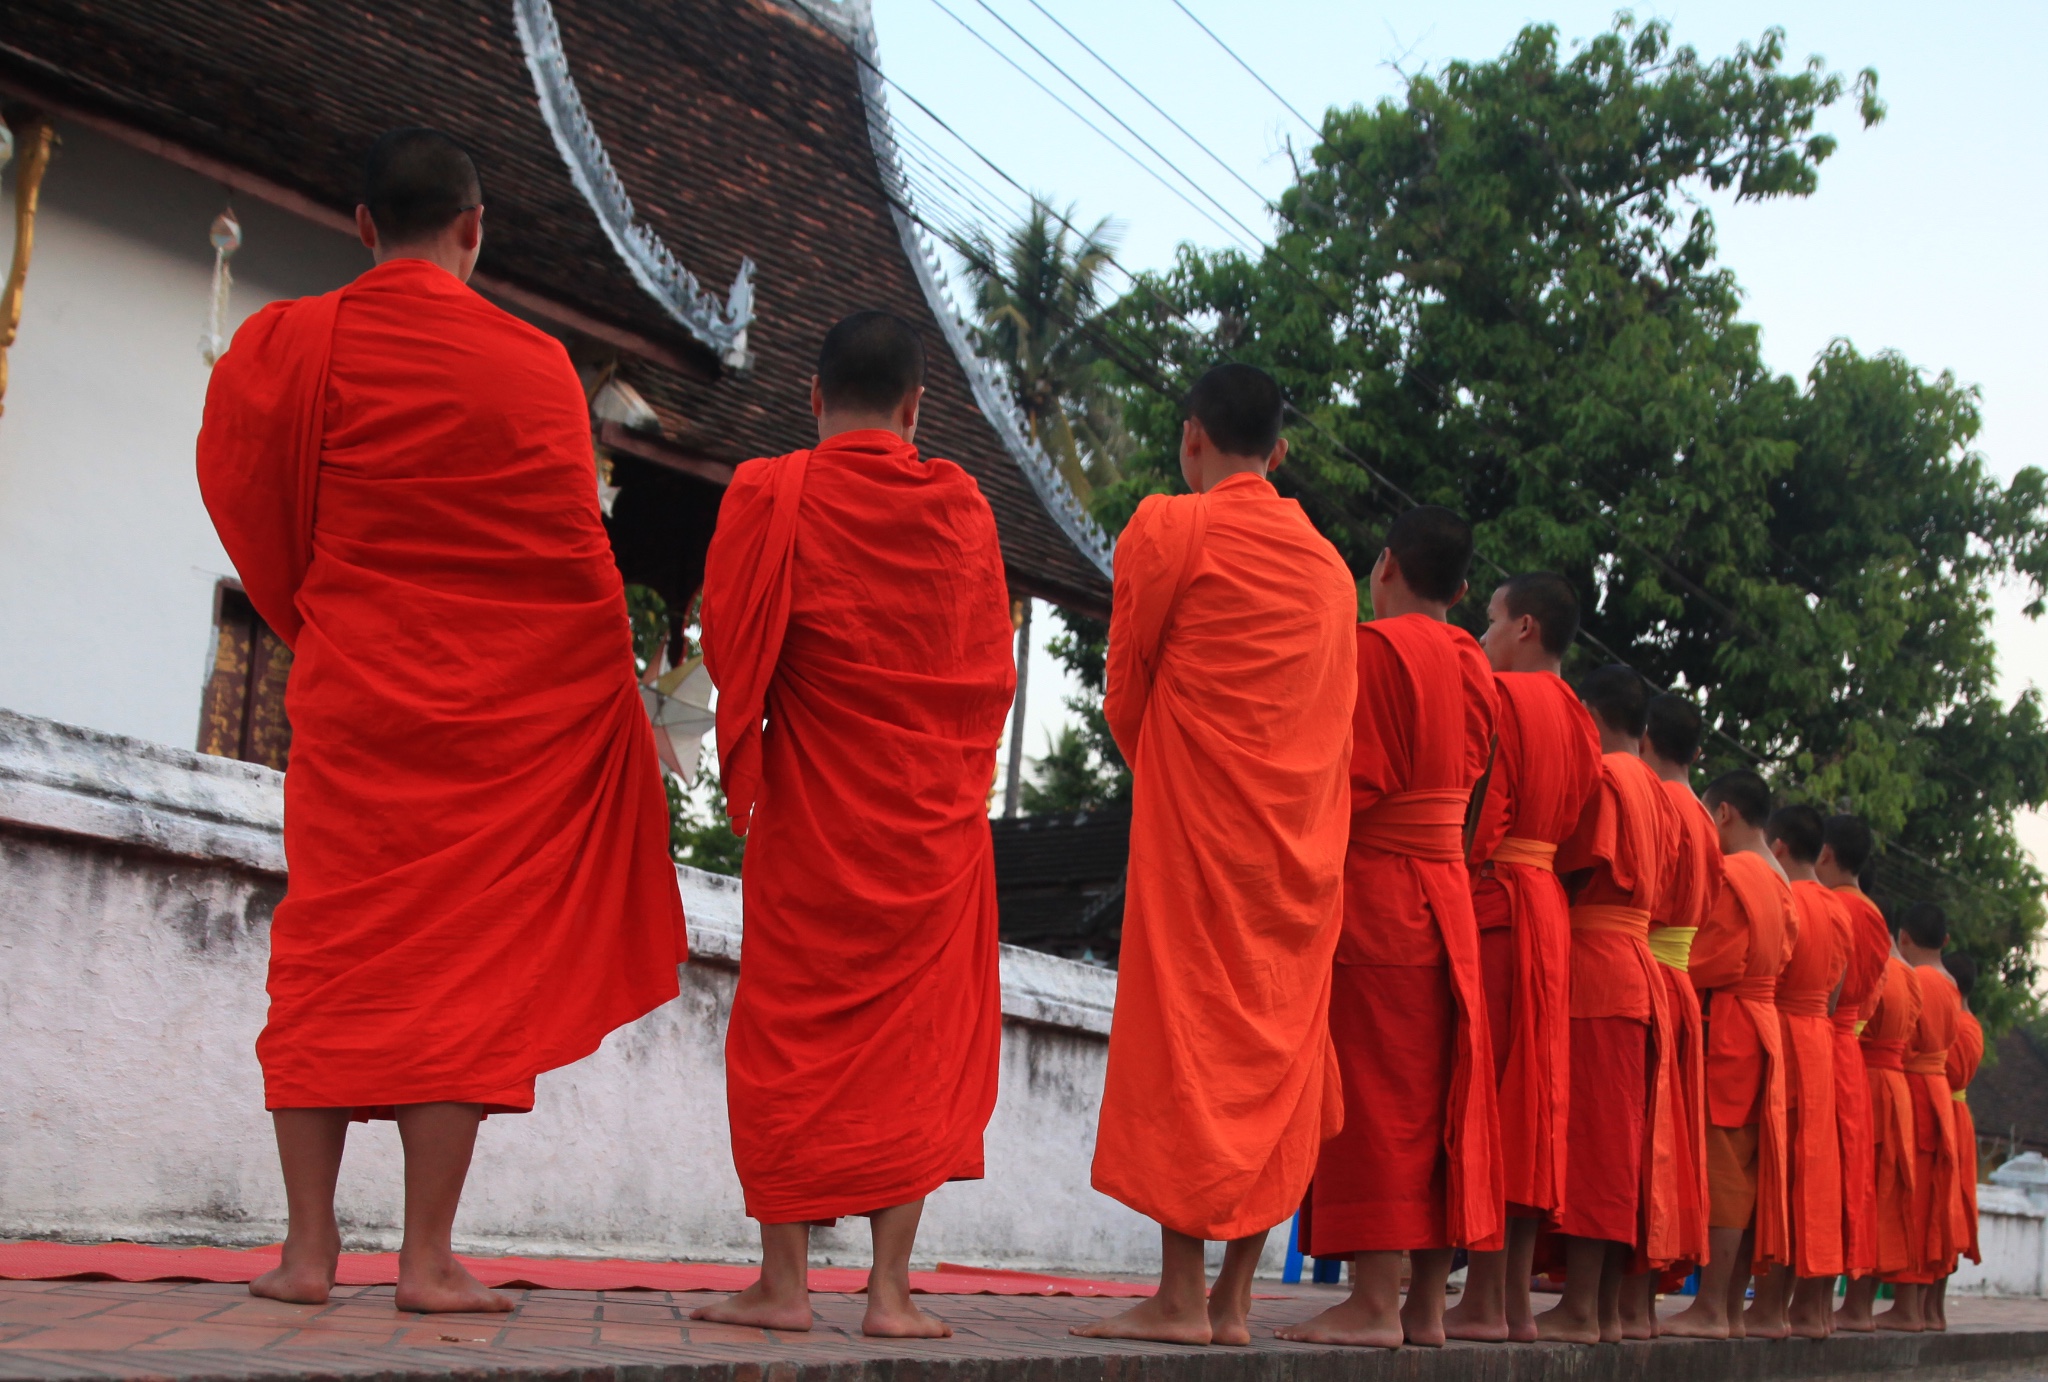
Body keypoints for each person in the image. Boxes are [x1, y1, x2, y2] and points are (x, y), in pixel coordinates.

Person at [195, 129, 688, 1312]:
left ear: (363, 227)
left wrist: (319, 618)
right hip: (491, 731)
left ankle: (306, 1255)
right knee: (456, 972)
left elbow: (246, 495)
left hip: (355, 700)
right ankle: (424, 1259)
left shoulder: (288, 342)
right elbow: (577, 566)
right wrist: (600, 707)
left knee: (325, 955)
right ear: (475, 229)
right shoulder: (534, 369)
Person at [693, 312, 1014, 1339]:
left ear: (814, 396)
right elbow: (986, 676)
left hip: (815, 817)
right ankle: (887, 1290)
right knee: (915, 1045)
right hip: (928, 825)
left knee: (785, 1030)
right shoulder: (961, 510)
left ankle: (782, 1283)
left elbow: (734, 644)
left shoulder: (768, 493)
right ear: (917, 408)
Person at [1081, 363, 1356, 1347]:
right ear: (1277, 453)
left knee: (1183, 1040)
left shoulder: (1169, 526)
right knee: (1275, 1055)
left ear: (1191, 436)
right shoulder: (1329, 569)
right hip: (1299, 849)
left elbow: (1127, 683)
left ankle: (1178, 1295)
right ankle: (1234, 1302)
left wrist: (1179, 770)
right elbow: (1334, 721)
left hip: (1199, 836)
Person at [1278, 507, 1501, 1350]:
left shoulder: (1372, 653)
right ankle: (1426, 1307)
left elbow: (1348, 781)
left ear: (1385, 567)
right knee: (1443, 1091)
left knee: (1377, 1093)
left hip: (1380, 893)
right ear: (1465, 588)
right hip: (1448, 894)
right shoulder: (1476, 664)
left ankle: (1373, 1301)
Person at [1442, 573, 1600, 1344]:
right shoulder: (1581, 718)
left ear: (1526, 628)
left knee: (1492, 1094)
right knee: (1534, 1100)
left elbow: (1483, 815)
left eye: (1492, 619)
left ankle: (1481, 1302)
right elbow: (1574, 829)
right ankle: (1508, 1302)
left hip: (1499, 898)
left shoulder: (1503, 699)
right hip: (1547, 905)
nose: (1484, 632)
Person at [1536, 665, 1680, 1345]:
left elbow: (1568, 860)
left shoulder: (1609, 777)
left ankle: (1582, 1309)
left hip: (1598, 965)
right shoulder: (1655, 787)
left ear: (1588, 713)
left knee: (1597, 1145)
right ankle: (1603, 1307)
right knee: (1617, 1143)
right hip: (1635, 967)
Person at [1662, 771, 1795, 1340]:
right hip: (1763, 1025)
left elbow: (1708, 955)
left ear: (1723, 815)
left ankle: (1712, 1307)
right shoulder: (1781, 879)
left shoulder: (1736, 873)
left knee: (1725, 1172)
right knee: (1745, 1169)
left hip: (1731, 1030)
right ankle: (1729, 1311)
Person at [1626, 693, 1724, 1336]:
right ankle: (1631, 1306)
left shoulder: (1656, 804)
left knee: (1631, 1142)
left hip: (1640, 969)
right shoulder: (1709, 823)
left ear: (1645, 737)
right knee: (1659, 1145)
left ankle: (1612, 1302)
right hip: (1680, 982)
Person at [1755, 805, 1849, 1338]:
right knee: (1807, 1176)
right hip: (1819, 1041)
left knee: (1774, 1171)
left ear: (1781, 846)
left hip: (1782, 1031)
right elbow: (1835, 996)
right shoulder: (1839, 910)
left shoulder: (1788, 897)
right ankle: (1789, 1307)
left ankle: (1766, 1308)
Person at [1816, 814, 1892, 1326]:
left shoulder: (1835, 907)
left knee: (1815, 1170)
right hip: (1850, 1048)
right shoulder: (1873, 913)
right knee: (1839, 1176)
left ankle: (1803, 1305)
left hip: (1823, 1036)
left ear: (1824, 854)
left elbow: (1828, 987)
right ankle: (1817, 1306)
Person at [1876, 902, 1962, 1331]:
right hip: (1937, 1091)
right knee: (1929, 1199)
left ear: (1903, 937)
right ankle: (1922, 1307)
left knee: (1910, 1198)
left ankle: (1907, 1308)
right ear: (1944, 941)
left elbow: (1903, 1034)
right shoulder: (1948, 983)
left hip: (1915, 1084)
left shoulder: (1921, 979)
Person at [1838, 917, 1924, 1329]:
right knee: (1882, 1195)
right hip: (1897, 1085)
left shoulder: (1886, 971)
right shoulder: (1911, 975)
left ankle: (1840, 1305)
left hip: (1866, 1078)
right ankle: (1854, 1305)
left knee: (1855, 1191)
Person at [1933, 951, 1984, 1332]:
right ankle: (1933, 1309)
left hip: (1947, 1111)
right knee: (1948, 1210)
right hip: (1957, 1116)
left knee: (1943, 1211)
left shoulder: (1960, 1025)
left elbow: (1945, 1068)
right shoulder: (1971, 1024)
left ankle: (1928, 1306)